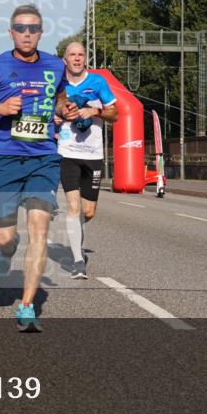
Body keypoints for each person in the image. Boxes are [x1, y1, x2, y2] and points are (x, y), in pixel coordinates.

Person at [0, 4, 77, 332]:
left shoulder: (55, 65)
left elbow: (59, 98)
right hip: (5, 159)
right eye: (21, 28)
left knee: (39, 231)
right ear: (11, 32)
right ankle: (5, 253)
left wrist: (64, 108)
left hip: (43, 158)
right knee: (4, 236)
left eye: (34, 28)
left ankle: (26, 306)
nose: (27, 33)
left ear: (41, 32)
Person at [56, 41, 118, 279]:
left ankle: (76, 234)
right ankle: (78, 260)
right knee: (73, 206)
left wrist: (95, 111)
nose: (77, 58)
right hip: (67, 152)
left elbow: (116, 113)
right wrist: (57, 117)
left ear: (85, 58)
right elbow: (48, 111)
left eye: (81, 54)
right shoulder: (59, 86)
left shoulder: (98, 82)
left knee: (87, 211)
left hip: (93, 154)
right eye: (72, 54)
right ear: (65, 60)